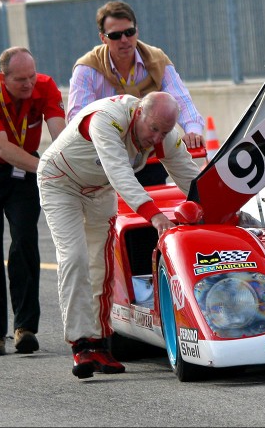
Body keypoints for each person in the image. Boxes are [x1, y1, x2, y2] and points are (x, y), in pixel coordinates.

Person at [36, 91, 201, 379]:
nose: (157, 139)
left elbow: (191, 179)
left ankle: (99, 342)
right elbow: (119, 172)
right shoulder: (107, 120)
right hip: (60, 182)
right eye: (153, 129)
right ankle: (80, 343)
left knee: (101, 262)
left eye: (164, 132)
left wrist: (221, 212)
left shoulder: (165, 135)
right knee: (75, 258)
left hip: (99, 190)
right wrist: (156, 216)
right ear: (138, 114)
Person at [0, 47, 66, 357]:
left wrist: (67, 162)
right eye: (20, 79)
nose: (28, 84)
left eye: (32, 76)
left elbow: (60, 133)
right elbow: (1, 147)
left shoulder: (44, 86)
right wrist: (51, 167)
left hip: (25, 173)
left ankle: (25, 328)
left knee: (24, 240)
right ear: (3, 77)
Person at [66, 0, 205, 186]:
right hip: (109, 159)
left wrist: (193, 130)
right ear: (103, 38)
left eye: (129, 33)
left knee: (164, 204)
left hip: (150, 153)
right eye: (115, 35)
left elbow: (180, 99)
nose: (124, 40)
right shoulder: (87, 68)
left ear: (137, 31)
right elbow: (78, 118)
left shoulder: (157, 59)